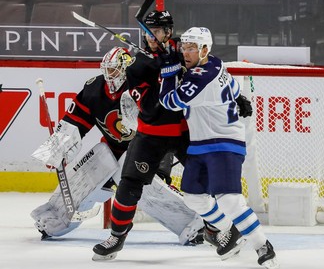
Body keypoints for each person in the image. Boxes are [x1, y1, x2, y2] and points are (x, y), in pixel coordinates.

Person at [30, 46, 203, 245]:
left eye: (113, 70)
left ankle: (193, 223)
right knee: (91, 169)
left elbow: (161, 124)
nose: (109, 75)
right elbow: (74, 121)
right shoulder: (94, 89)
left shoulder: (142, 85)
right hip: (111, 151)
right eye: (107, 69)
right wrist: (59, 148)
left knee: (146, 187)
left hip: (148, 149)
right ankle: (54, 218)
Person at [92, 10, 211, 261]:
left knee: (208, 180)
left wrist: (237, 96)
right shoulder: (138, 65)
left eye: (156, 31)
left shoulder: (184, 51)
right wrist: (165, 72)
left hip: (185, 132)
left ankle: (219, 229)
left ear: (168, 32)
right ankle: (117, 235)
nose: (151, 37)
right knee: (128, 186)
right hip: (151, 134)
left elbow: (210, 71)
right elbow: (151, 108)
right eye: (148, 32)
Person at [159, 27, 279, 268]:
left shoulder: (201, 76)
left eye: (192, 48)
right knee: (193, 198)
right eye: (184, 47)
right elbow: (233, 86)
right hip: (200, 144)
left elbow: (169, 102)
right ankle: (229, 229)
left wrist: (169, 72)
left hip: (224, 143)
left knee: (229, 200)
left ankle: (262, 245)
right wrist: (239, 97)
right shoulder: (215, 62)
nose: (186, 52)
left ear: (205, 49)